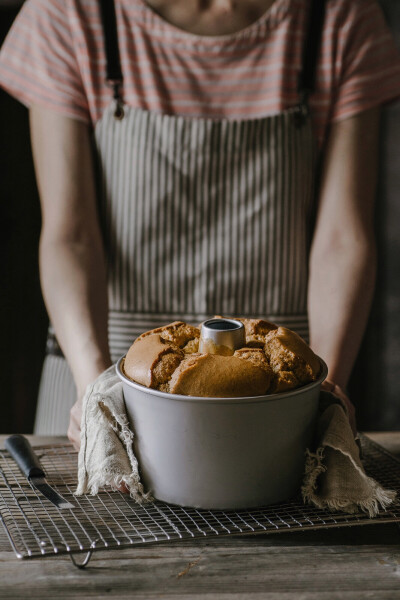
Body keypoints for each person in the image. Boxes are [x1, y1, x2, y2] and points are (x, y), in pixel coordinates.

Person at [1, 0, 400, 449]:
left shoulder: (338, 16)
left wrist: (320, 390)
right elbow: (70, 236)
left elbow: (342, 238)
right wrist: (95, 387)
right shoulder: (70, 12)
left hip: (270, 397)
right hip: (99, 370)